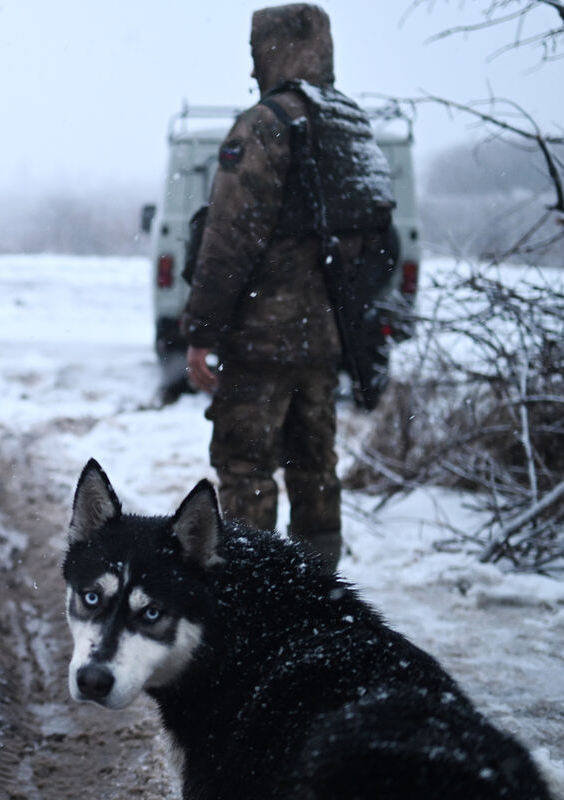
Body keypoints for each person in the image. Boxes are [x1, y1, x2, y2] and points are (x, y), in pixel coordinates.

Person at [180, 4, 395, 573]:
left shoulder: (264, 125)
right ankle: (318, 596)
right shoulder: (349, 125)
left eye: (257, 52)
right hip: (324, 343)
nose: (253, 68)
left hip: (261, 343)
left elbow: (227, 241)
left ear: (273, 49)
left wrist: (200, 332)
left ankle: (254, 599)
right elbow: (381, 242)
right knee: (315, 469)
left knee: (246, 470)